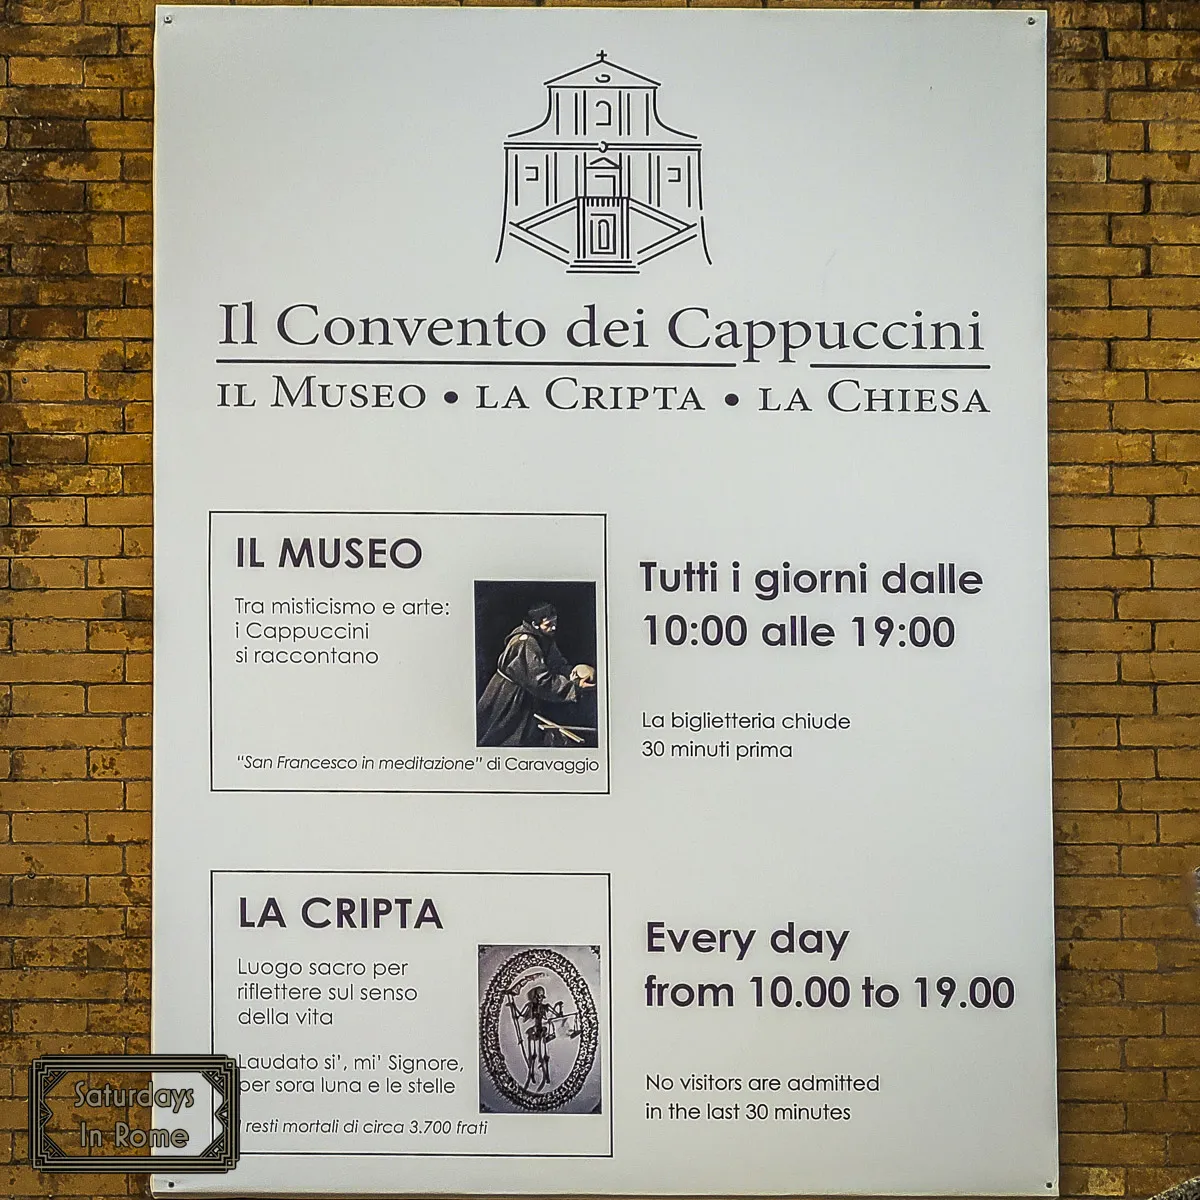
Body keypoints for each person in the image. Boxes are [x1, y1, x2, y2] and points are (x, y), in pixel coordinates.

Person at [476, 603, 595, 747]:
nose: (554, 628)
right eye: (549, 624)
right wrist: (573, 688)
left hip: (526, 694)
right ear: (535, 624)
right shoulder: (526, 643)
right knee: (503, 735)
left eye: (555, 623)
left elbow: (557, 664)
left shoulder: (544, 638)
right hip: (508, 696)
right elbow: (540, 681)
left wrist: (572, 674)